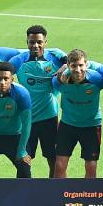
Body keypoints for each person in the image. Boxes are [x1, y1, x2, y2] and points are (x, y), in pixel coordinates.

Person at [6, 25, 66, 177]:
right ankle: (26, 191)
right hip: (26, 119)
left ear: (46, 42)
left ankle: (52, 190)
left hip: (49, 117)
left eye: (39, 42)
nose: (35, 45)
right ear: (27, 42)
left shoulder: (55, 57)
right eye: (32, 42)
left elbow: (77, 62)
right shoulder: (20, 60)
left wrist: (65, 66)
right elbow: (5, 72)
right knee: (24, 159)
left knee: (53, 158)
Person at [52, 48, 103, 179]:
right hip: (67, 125)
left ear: (86, 64)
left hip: (91, 126)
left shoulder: (97, 79)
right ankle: (60, 196)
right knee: (60, 165)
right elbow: (52, 83)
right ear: (68, 66)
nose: (78, 70)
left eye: (81, 65)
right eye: (73, 66)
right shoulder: (59, 81)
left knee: (91, 166)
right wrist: (60, 72)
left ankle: (88, 197)